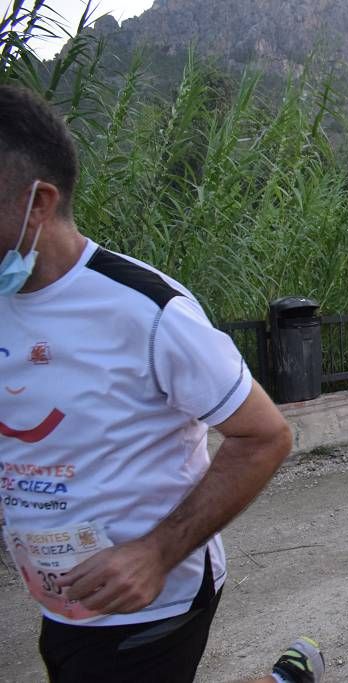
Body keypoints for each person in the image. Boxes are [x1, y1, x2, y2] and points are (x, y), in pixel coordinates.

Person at [0, 85, 321, 683]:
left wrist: (157, 552)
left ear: (37, 202)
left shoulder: (147, 310)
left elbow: (265, 436)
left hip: (152, 605)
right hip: (60, 602)